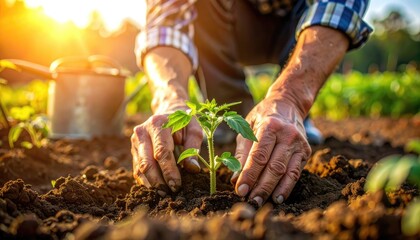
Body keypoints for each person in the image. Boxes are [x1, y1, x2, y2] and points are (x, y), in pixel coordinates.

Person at [131, 0, 372, 206]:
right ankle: (238, 122)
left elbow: (338, 7)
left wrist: (290, 98)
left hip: (301, 25)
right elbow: (165, 22)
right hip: (226, 23)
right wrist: (170, 102)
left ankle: (289, 119)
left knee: (286, 109)